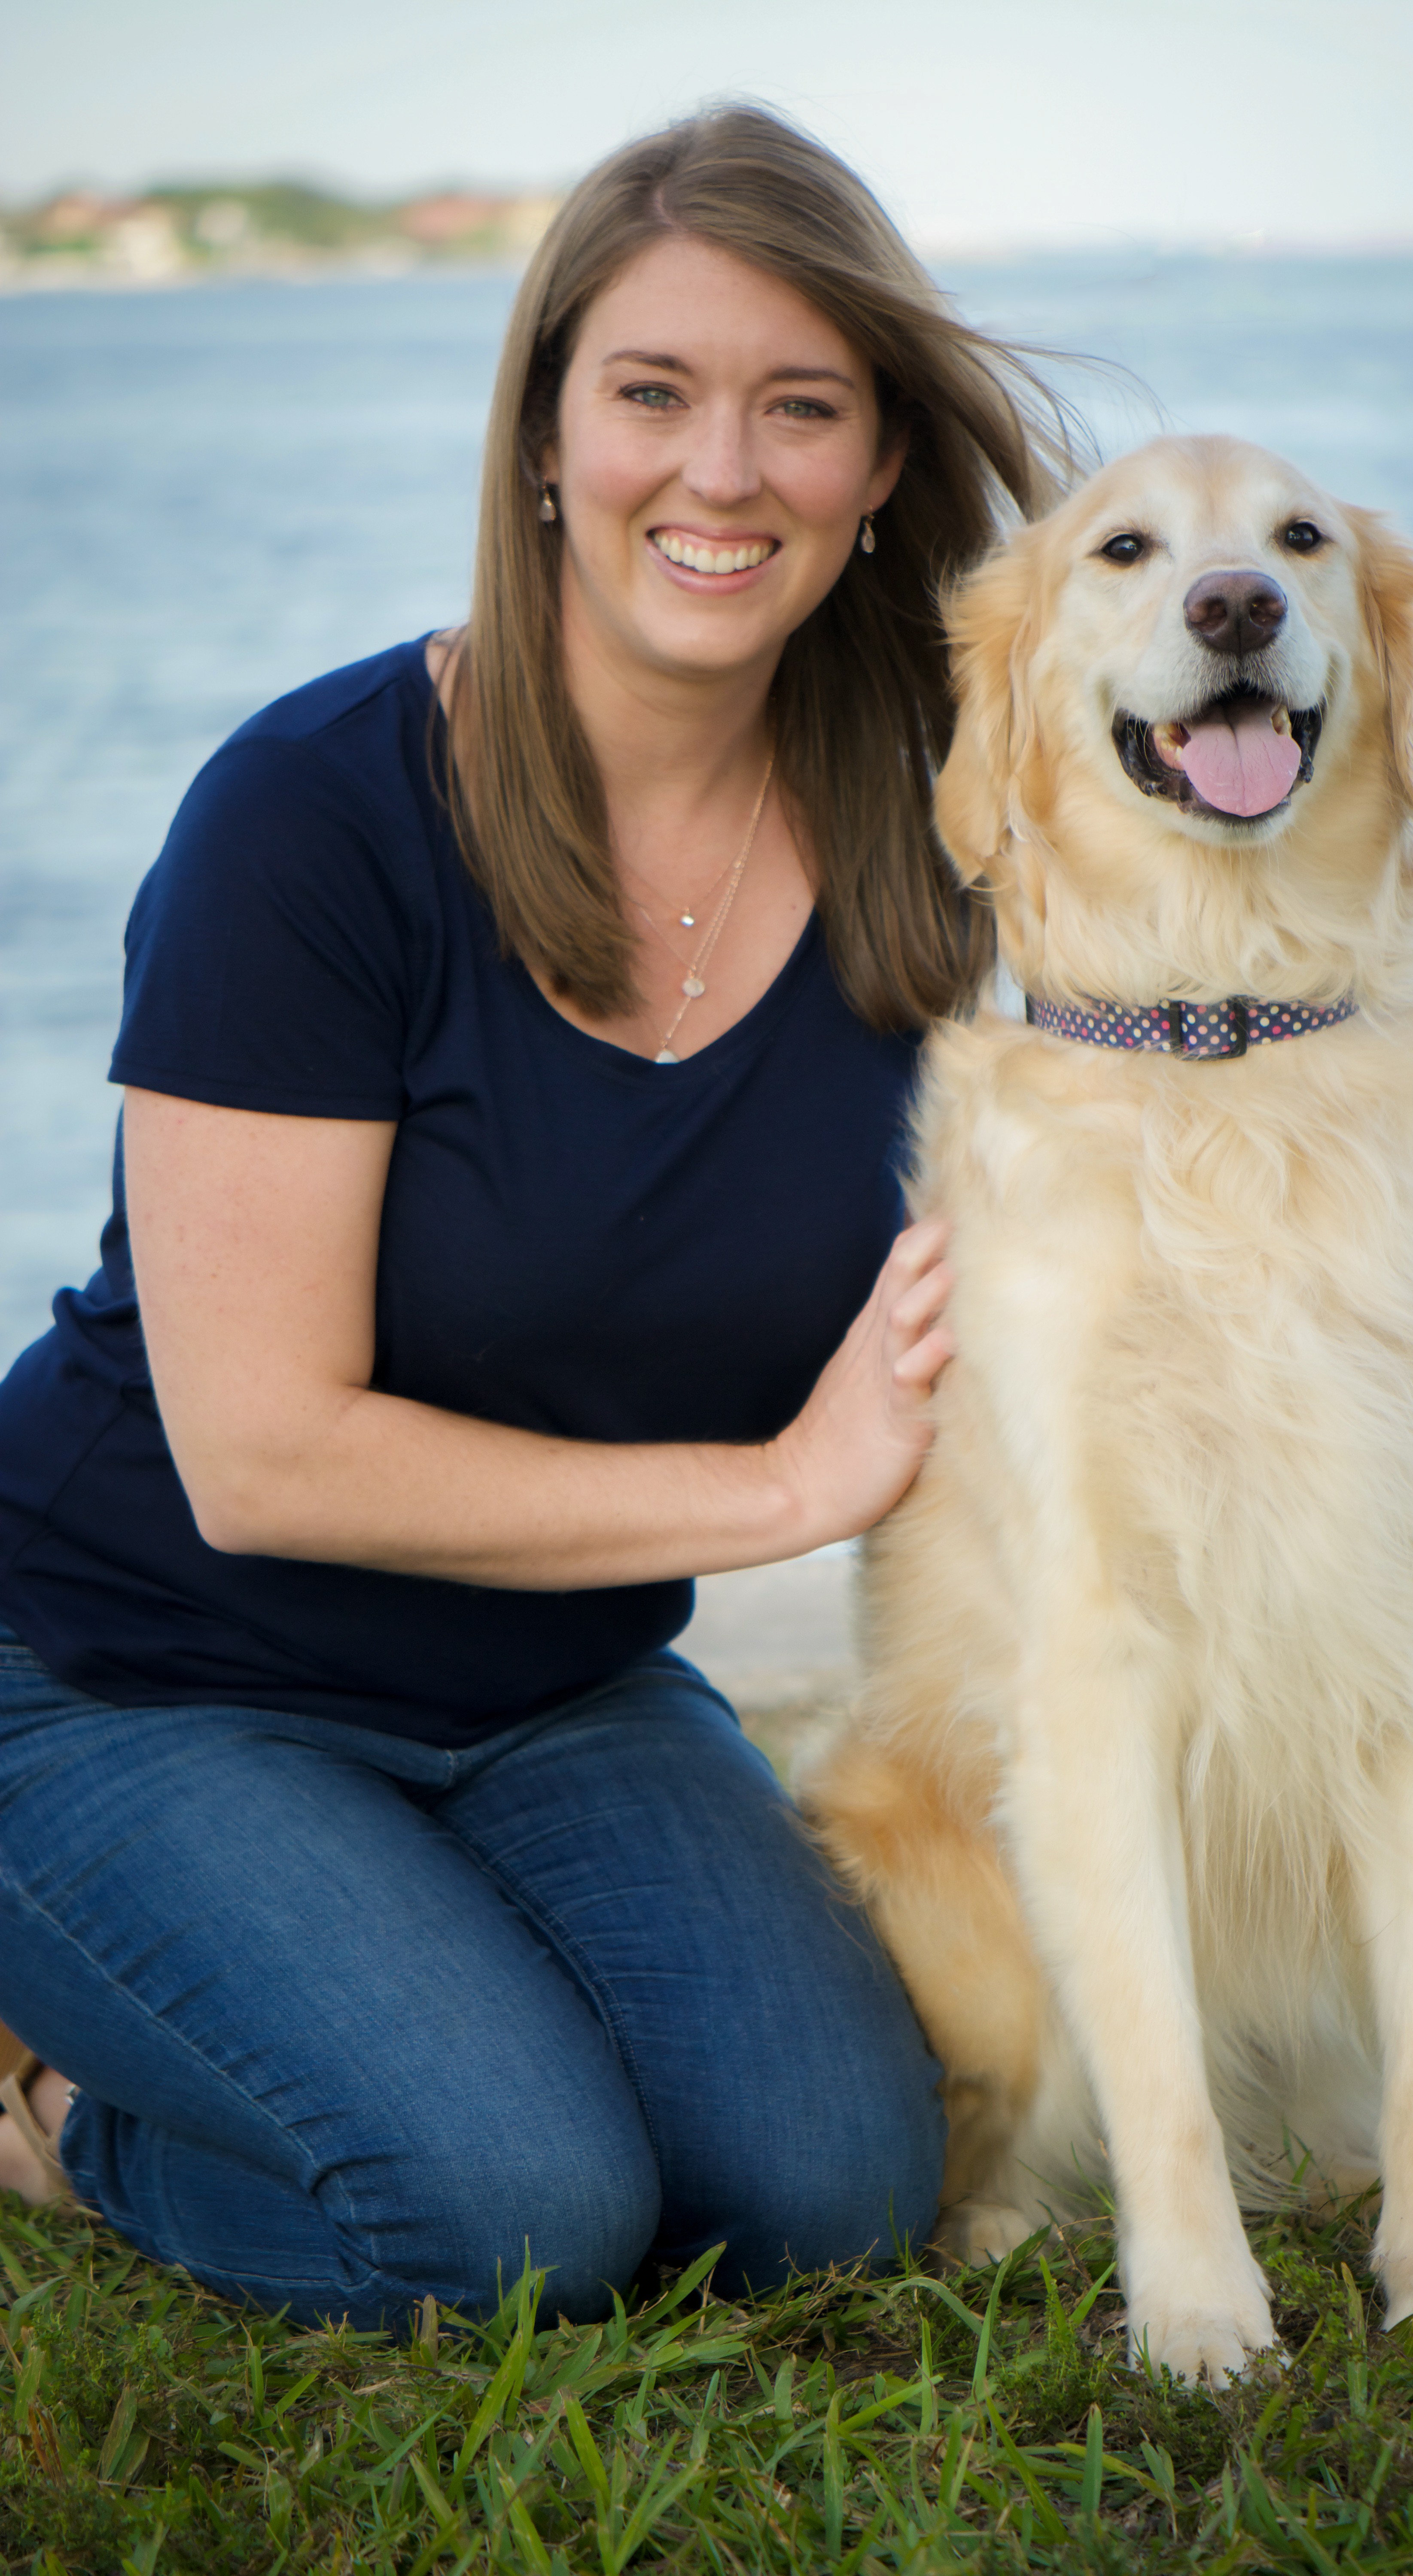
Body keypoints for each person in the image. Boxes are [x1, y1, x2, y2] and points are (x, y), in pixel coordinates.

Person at [0, 106, 1065, 2330]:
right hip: (129, 1665)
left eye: (802, 407)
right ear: (547, 439)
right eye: (653, 392)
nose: (723, 472)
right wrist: (780, 1490)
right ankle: (55, 2106)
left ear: (882, 466)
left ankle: (372, 1964)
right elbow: (260, 1456)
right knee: (512, 2218)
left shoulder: (939, 856)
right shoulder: (314, 819)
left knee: (830, 2192)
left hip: (554, 1681)